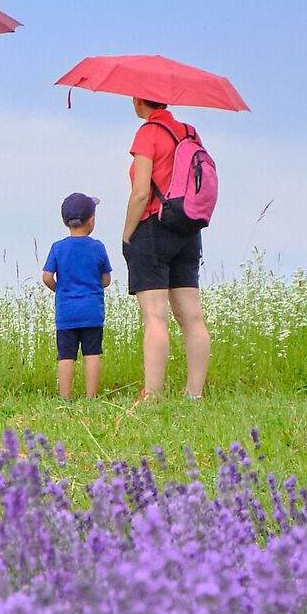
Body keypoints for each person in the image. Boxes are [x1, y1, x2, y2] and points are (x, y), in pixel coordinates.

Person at [121, 96, 211, 400]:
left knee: (155, 316)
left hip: (153, 228)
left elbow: (140, 193)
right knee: (192, 316)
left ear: (138, 100)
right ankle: (194, 393)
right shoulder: (189, 131)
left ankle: (153, 395)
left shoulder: (147, 134)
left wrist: (127, 234)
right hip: (187, 228)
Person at [41, 193, 112, 400]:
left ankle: (65, 397)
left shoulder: (58, 247)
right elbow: (106, 279)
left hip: (66, 312)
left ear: (65, 221)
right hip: (92, 311)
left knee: (65, 356)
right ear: (91, 220)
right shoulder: (98, 247)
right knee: (92, 353)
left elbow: (46, 276)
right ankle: (91, 397)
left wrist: (59, 289)